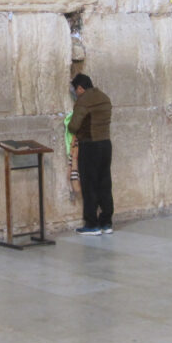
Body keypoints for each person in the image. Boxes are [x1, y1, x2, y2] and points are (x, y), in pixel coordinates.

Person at [68, 73, 113, 235]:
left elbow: (73, 126)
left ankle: (92, 223)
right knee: (104, 183)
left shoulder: (84, 100)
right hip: (106, 144)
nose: (75, 94)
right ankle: (106, 222)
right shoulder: (104, 97)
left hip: (90, 145)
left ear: (80, 88)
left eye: (75, 90)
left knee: (89, 184)